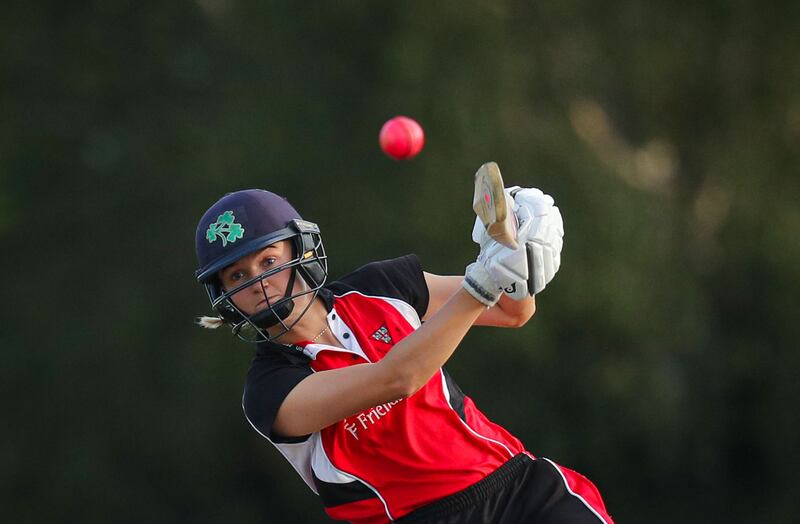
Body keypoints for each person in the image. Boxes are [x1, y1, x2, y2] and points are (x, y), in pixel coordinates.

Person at [194, 186, 613, 524]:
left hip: (518, 486)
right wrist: (483, 278)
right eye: (238, 275)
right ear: (224, 296)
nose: (259, 282)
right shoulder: (269, 390)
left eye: (269, 259)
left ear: (300, 250)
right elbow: (396, 379)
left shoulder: (382, 284)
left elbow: (511, 311)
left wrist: (513, 251)